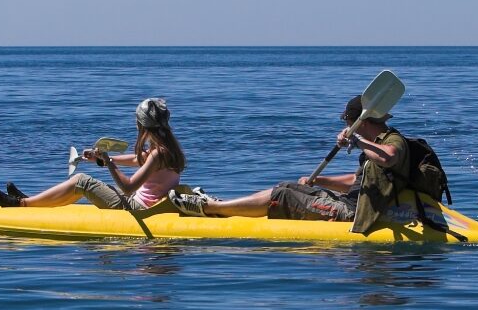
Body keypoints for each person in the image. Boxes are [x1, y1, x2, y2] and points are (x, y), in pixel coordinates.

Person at [169, 95, 410, 235]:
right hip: (350, 202)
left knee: (282, 195)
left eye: (348, 121)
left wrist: (356, 140)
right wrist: (320, 180)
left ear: (360, 122)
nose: (346, 126)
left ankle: (210, 208)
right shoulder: (374, 144)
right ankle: (222, 204)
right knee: (288, 185)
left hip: (354, 213)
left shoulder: (392, 140)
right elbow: (358, 180)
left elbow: (389, 157)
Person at [0, 98, 186, 210]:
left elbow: (128, 187)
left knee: (81, 181)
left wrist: (109, 162)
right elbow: (138, 160)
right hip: (144, 205)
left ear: (141, 124)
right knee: (84, 184)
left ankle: (22, 204)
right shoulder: (168, 148)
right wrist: (102, 158)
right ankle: (31, 201)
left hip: (137, 209)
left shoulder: (157, 153)